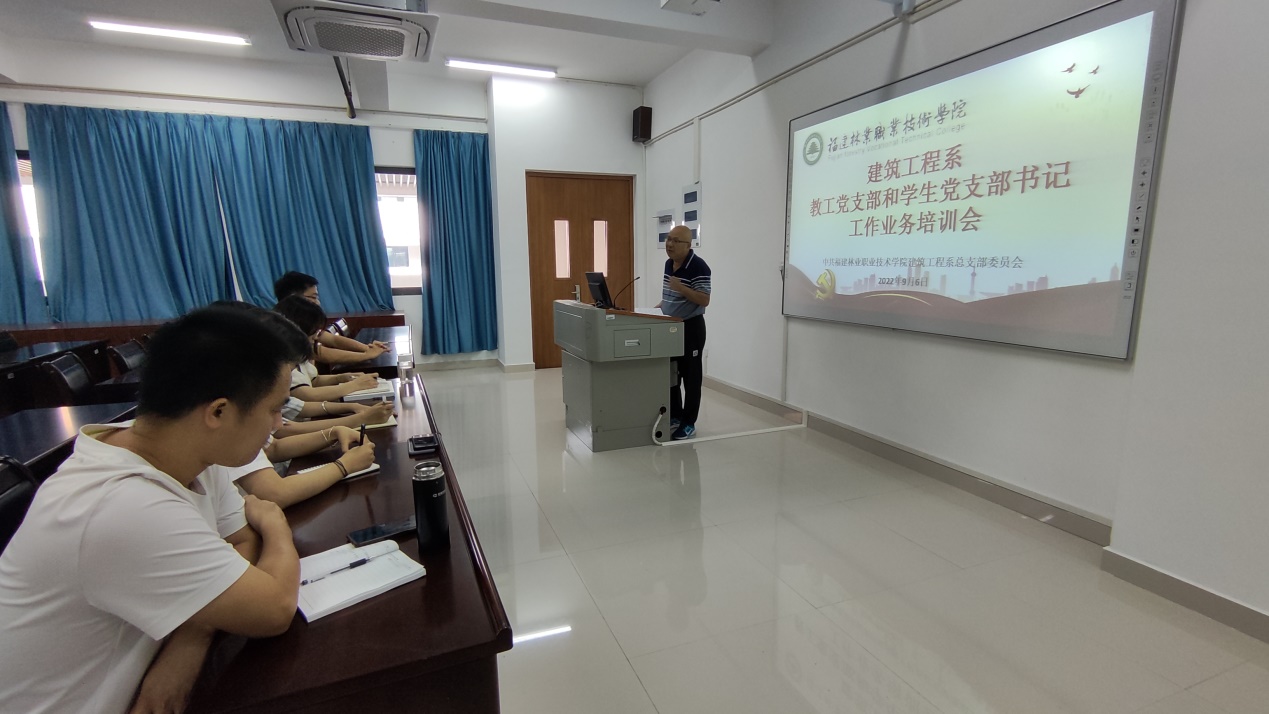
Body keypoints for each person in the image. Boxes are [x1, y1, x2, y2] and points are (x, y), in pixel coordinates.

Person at [0, 307, 302, 714]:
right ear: (218, 412)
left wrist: (191, 638)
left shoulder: (185, 449)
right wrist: (276, 523)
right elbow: (275, 608)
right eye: (273, 409)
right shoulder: (122, 506)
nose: (278, 423)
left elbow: (240, 540)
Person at [659, 225, 712, 440]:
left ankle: (689, 422)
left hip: (691, 328)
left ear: (688, 245)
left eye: (675, 241)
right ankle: (675, 415)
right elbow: (669, 296)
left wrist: (681, 288)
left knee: (691, 378)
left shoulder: (699, 266)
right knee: (671, 373)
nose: (670, 244)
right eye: (668, 239)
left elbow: (704, 299)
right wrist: (656, 309)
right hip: (670, 328)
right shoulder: (668, 263)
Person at [273, 271, 390, 363]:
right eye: (313, 297)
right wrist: (366, 356)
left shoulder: (303, 321)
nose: (318, 303)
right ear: (294, 297)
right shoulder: (281, 327)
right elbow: (320, 353)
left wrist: (368, 349)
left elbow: (333, 340)